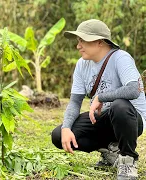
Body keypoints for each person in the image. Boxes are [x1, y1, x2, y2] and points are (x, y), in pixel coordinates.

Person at [51, 19, 146, 180]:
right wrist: (66, 127)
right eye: (78, 41)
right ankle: (111, 151)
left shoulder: (121, 58)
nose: (78, 46)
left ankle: (128, 161)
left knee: (119, 106)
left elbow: (133, 89)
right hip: (103, 119)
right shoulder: (82, 65)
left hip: (129, 119)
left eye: (83, 41)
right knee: (58, 135)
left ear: (100, 42)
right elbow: (75, 102)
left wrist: (101, 97)